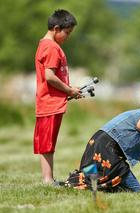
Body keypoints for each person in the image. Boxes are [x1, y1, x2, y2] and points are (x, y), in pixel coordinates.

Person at [64, 90, 140, 193]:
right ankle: (77, 183)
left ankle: (80, 183)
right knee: (135, 190)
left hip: (98, 143)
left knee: (123, 188)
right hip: (106, 149)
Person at [33, 9, 81, 184]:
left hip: (50, 102)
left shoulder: (45, 45)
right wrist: (69, 91)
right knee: (47, 144)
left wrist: (69, 90)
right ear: (56, 28)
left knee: (48, 143)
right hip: (49, 103)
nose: (67, 37)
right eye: (66, 33)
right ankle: (47, 179)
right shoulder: (52, 47)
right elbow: (50, 76)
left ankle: (49, 178)